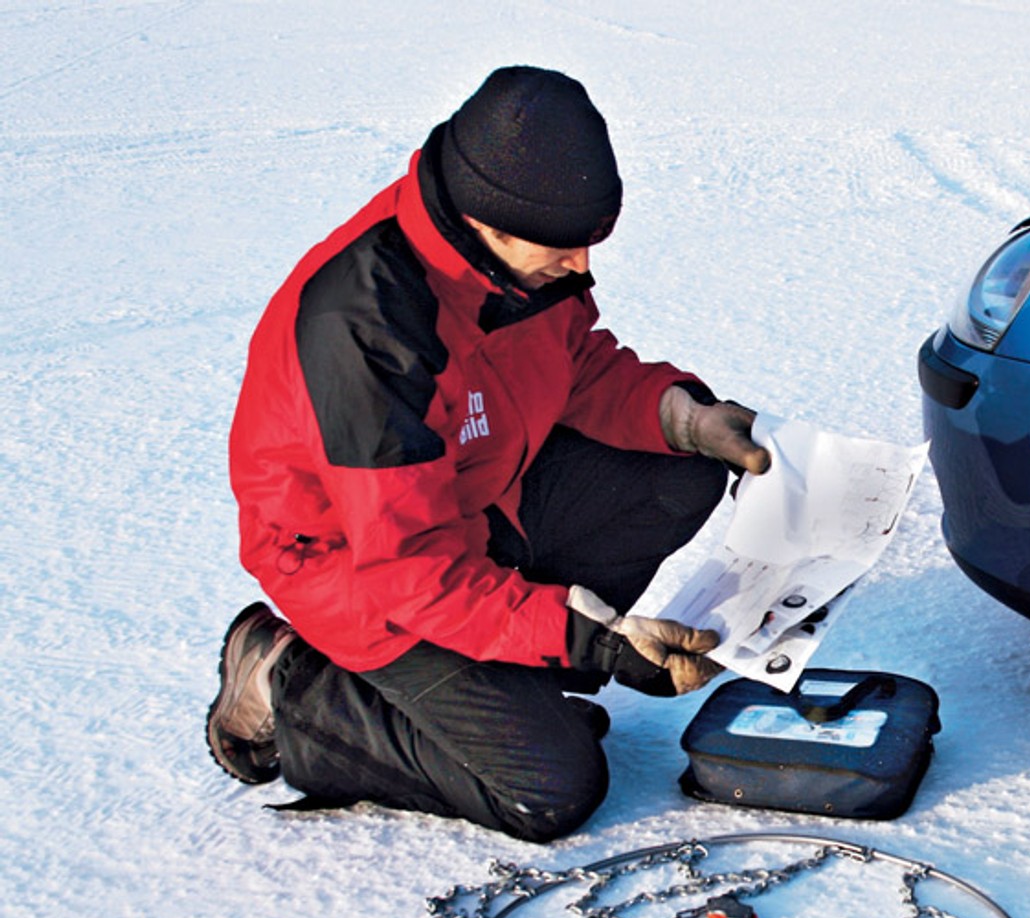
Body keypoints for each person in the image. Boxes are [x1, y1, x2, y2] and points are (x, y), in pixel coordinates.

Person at [206, 66, 770, 843]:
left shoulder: (511, 261)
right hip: (360, 574)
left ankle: (509, 679)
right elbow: (408, 566)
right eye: (565, 247)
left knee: (678, 471)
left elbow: (576, 364)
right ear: (489, 223)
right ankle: (289, 682)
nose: (581, 266)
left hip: (477, 503)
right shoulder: (367, 331)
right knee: (549, 789)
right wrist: (588, 637)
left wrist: (683, 417)